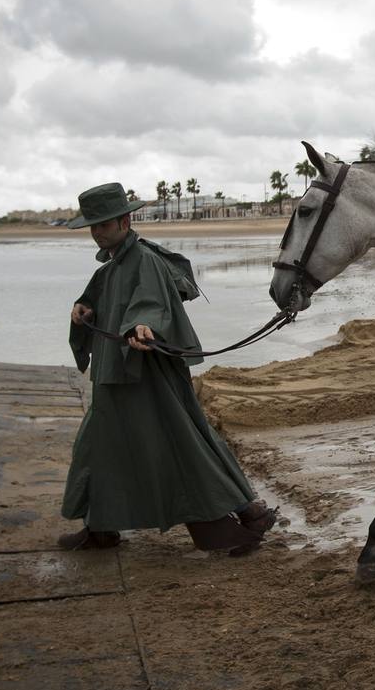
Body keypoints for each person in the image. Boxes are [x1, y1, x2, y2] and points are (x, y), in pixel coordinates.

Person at [58, 182, 276, 554]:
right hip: (116, 376)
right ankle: (101, 527)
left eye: (104, 225)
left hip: (144, 376)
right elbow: (97, 298)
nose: (97, 232)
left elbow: (151, 304)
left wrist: (142, 327)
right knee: (99, 449)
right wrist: (83, 310)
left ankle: (242, 517)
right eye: (92, 226)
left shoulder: (144, 260)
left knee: (181, 446)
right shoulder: (114, 265)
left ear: (125, 221)